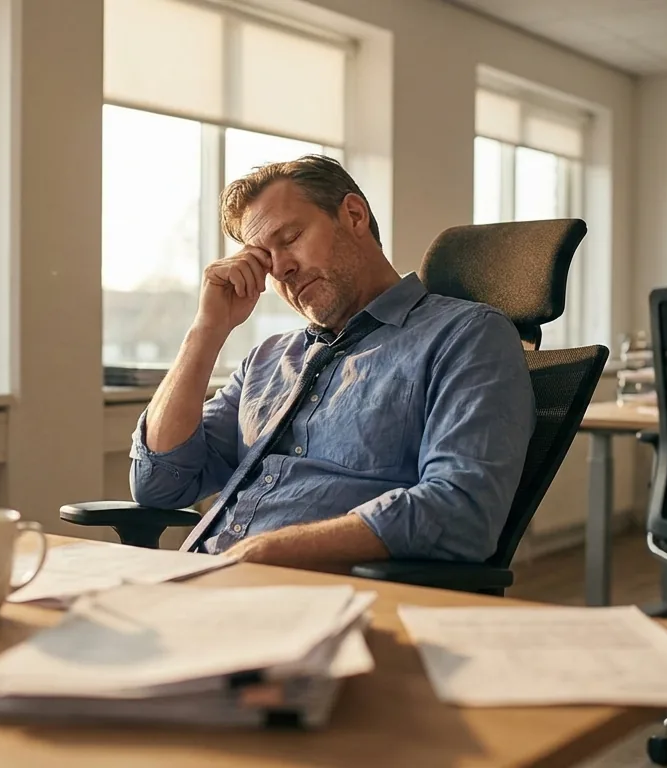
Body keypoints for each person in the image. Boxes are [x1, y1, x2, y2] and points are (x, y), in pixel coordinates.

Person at [130, 155, 534, 571]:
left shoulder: (466, 336)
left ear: (354, 215)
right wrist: (207, 330)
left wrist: (264, 552)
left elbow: (460, 512)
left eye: (290, 237)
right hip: (209, 583)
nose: (282, 268)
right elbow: (157, 484)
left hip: (318, 598)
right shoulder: (267, 361)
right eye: (265, 259)